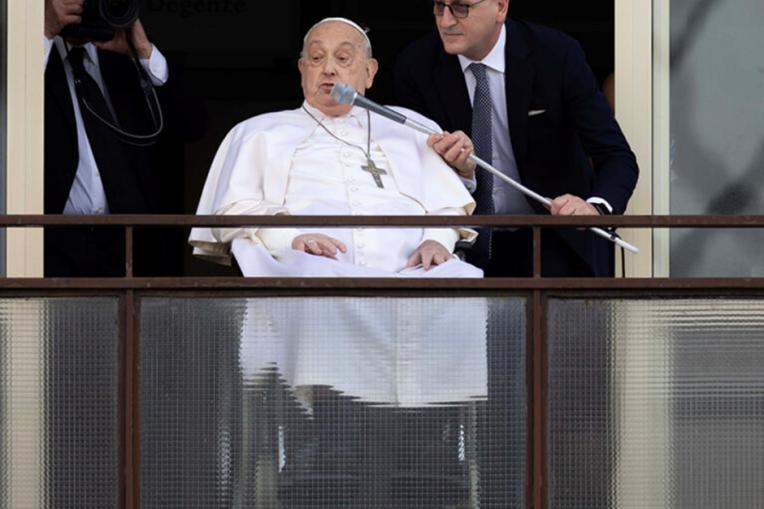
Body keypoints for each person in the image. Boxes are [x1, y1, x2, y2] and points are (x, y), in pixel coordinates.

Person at [190, 17, 479, 278]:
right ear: (302, 70)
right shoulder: (258, 131)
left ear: (369, 71)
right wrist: (291, 239)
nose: (328, 69)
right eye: (316, 58)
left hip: (415, 271)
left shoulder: (411, 126)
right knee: (308, 274)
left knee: (461, 277)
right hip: (307, 267)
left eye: (342, 58)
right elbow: (234, 209)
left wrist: (437, 241)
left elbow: (448, 203)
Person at [394, 0, 639, 276]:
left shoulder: (555, 54)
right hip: (460, 240)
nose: (446, 21)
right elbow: (410, 166)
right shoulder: (416, 64)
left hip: (551, 236)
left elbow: (616, 156)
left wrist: (594, 209)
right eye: (440, 6)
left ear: (501, 8)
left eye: (461, 8)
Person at [44, 0, 204, 277]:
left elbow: (192, 126)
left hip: (129, 245)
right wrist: (45, 32)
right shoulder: (33, 58)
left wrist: (143, 52)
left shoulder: (123, 57)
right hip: (54, 243)